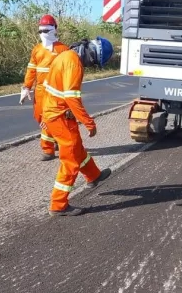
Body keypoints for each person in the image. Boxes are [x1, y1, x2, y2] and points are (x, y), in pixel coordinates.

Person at [40, 37, 114, 216]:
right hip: (60, 118)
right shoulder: (74, 64)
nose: (92, 65)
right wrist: (89, 122)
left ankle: (93, 176)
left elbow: (47, 87)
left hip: (54, 114)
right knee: (71, 160)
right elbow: (71, 98)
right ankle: (58, 205)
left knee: (77, 149)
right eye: (94, 61)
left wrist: (44, 113)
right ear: (91, 53)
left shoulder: (64, 56)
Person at [20, 14, 69, 160]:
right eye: (40, 31)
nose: (43, 34)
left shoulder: (63, 50)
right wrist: (26, 87)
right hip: (40, 91)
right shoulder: (37, 50)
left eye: (46, 31)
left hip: (56, 92)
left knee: (52, 119)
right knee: (40, 117)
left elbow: (69, 73)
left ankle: (48, 150)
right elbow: (31, 70)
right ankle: (54, 140)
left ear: (55, 29)